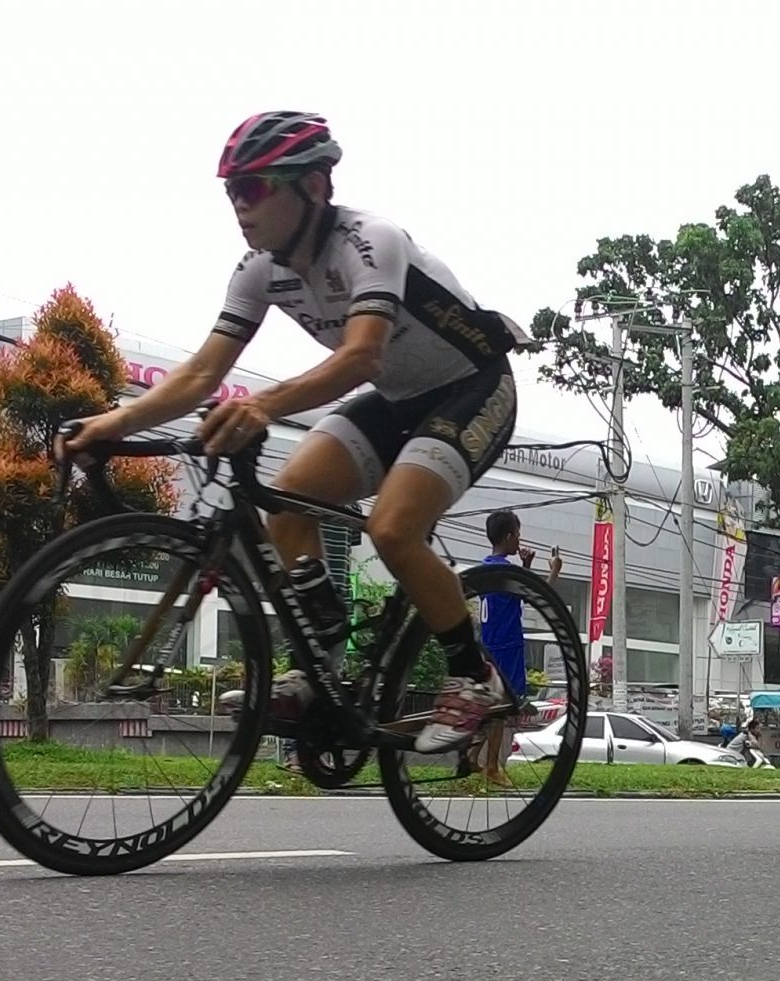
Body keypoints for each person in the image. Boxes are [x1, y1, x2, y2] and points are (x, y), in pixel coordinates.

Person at [60, 111, 523, 754]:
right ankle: (319, 670)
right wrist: (112, 422)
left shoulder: (371, 242)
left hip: (471, 387)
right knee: (285, 504)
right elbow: (200, 372)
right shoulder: (258, 268)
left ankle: (476, 678)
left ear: (311, 186)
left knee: (392, 529)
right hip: (395, 398)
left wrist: (264, 406)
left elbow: (361, 355)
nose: (239, 207)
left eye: (252, 189)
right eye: (230, 192)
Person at [479, 510, 561, 781]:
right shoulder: (507, 570)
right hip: (508, 647)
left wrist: (525, 569)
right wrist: (554, 571)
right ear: (509, 536)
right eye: (518, 534)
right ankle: (492, 766)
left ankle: (474, 757)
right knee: (502, 709)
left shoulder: (486, 567)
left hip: (489, 646)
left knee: (489, 706)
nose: (520, 541)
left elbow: (514, 596)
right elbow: (540, 596)